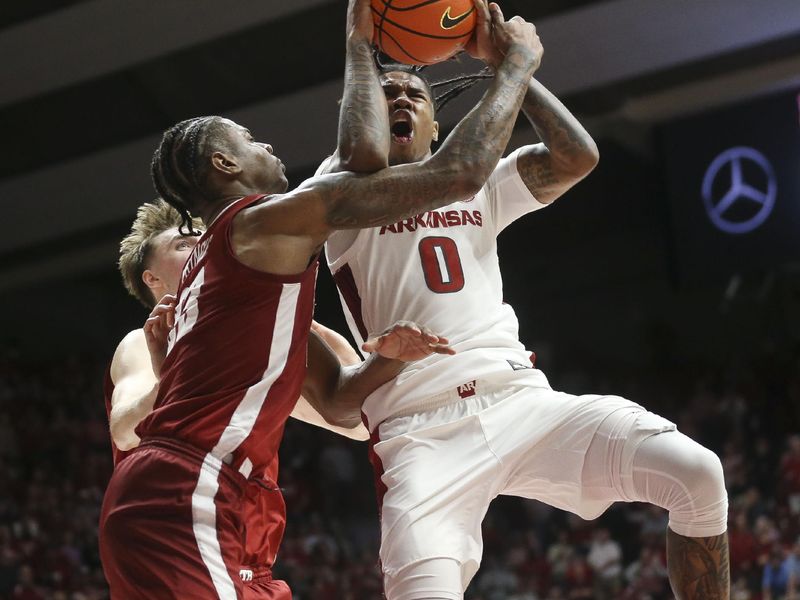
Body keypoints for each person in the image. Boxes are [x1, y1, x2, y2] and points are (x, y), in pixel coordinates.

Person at [98, 0, 542, 596]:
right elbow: (407, 167)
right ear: (226, 164)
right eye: (251, 140)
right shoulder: (252, 229)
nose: (270, 147)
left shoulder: (250, 298)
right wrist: (513, 67)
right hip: (189, 489)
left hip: (231, 503)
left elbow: (338, 406)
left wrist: (389, 360)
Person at [320, 1, 730, 598]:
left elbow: (577, 158)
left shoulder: (478, 180)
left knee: (698, 473)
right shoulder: (339, 188)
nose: (402, 99)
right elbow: (367, 150)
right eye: (385, 93)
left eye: (416, 94)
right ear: (358, 112)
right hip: (419, 432)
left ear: (436, 127)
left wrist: (518, 74)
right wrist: (509, 63)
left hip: (519, 400)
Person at [105, 199, 370, 598]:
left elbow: (358, 425)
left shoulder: (249, 343)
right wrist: (170, 374)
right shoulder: (143, 342)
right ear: (153, 281)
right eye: (183, 246)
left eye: (201, 241)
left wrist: (301, 327)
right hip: (179, 533)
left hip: (251, 559)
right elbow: (125, 430)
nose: (199, 249)